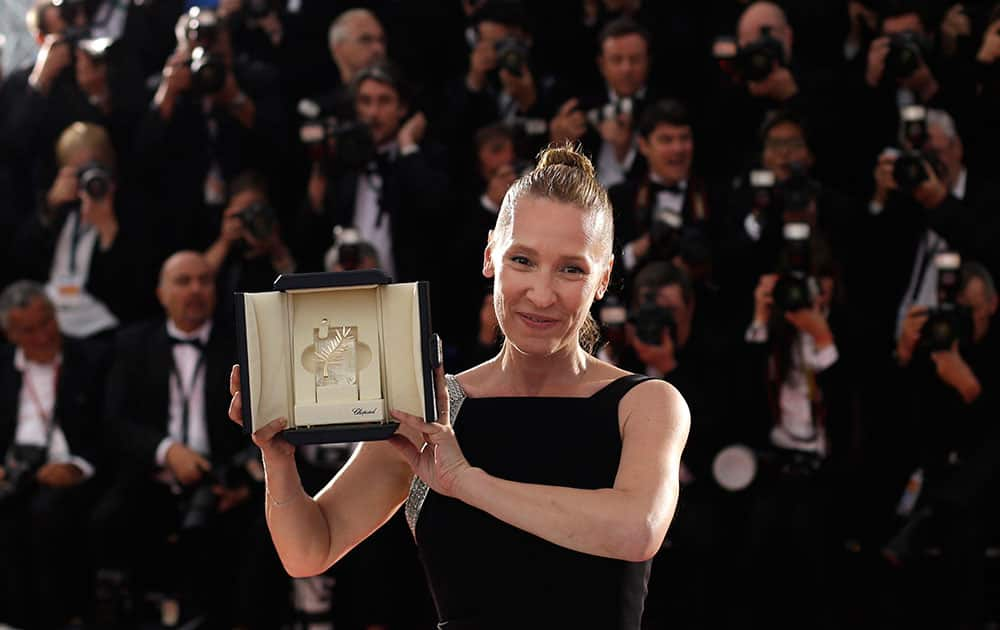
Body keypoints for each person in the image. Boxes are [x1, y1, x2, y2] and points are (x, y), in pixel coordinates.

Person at [228, 145, 689, 628]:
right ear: (491, 255)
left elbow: (636, 530)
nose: (542, 293)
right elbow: (310, 550)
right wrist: (277, 458)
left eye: (571, 268)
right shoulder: (430, 409)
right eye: (523, 260)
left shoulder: (646, 404)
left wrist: (466, 483)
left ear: (604, 277)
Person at [0, 281, 110, 629]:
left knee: (46, 515)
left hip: (70, 471)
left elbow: (110, 428)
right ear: (11, 333)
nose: (43, 336)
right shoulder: (2, 367)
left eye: (46, 323)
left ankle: (58, 618)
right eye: (28, 330)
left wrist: (79, 466)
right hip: (12, 471)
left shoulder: (90, 359)